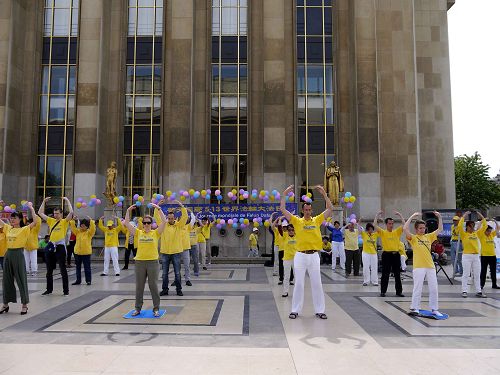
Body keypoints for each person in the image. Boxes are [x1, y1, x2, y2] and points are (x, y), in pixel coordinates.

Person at [281, 184, 333, 320]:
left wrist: (325, 195)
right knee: (299, 283)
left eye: (310, 209)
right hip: (300, 256)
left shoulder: (317, 220)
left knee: (317, 282)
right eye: (306, 210)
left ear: (312, 210)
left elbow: (330, 209)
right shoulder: (297, 221)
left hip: (314, 256)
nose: (308, 212)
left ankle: (320, 310)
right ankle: (295, 310)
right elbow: (282, 209)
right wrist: (284, 194)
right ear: (303, 210)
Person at [124, 204, 166, 317]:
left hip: (152, 262)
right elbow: (127, 223)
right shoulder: (138, 232)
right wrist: (128, 210)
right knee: (139, 286)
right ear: (142, 224)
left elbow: (164, 222)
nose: (146, 224)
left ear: (151, 224)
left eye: (148, 223)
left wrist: (158, 208)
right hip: (140, 263)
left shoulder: (155, 233)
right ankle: (137, 308)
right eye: (144, 223)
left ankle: (156, 308)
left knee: (153, 286)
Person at [0, 203, 39, 315]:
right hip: (8, 254)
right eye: (11, 218)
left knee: (21, 279)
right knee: (6, 280)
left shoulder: (24, 229)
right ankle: (5, 304)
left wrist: (32, 209)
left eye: (14, 218)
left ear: (20, 219)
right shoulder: (7, 228)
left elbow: (35, 222)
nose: (12, 220)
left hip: (18, 254)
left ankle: (24, 305)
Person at [403, 211, 444, 317]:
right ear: (416, 229)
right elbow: (405, 229)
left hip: (430, 266)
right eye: (420, 228)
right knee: (418, 287)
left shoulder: (429, 237)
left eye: (423, 228)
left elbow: (440, 229)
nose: (422, 229)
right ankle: (415, 307)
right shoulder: (413, 238)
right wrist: (412, 216)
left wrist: (439, 217)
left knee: (434, 288)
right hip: (418, 267)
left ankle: (434, 309)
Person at [38, 197, 73, 296]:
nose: (55, 215)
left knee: (63, 269)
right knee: (49, 270)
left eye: (57, 213)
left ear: (61, 214)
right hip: (51, 245)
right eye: (54, 213)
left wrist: (67, 201)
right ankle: (49, 289)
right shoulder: (51, 220)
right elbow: (40, 213)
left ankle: (65, 290)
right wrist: (44, 201)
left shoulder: (65, 221)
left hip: (60, 247)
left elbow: (71, 213)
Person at [155, 200, 187, 296]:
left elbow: (185, 218)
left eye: (172, 218)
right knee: (164, 273)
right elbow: (157, 217)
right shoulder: (163, 225)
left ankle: (179, 289)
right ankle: (165, 289)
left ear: (175, 218)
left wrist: (182, 207)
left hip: (176, 252)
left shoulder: (179, 225)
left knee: (177, 273)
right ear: (166, 218)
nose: (170, 220)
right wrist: (157, 206)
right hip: (165, 252)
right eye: (168, 218)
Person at [374, 211, 405, 297]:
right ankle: (383, 291)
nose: (391, 225)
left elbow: (404, 225)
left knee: (397, 274)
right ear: (386, 224)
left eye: (392, 223)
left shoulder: (396, 232)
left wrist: (400, 215)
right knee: (385, 273)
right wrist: (377, 215)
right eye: (389, 223)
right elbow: (375, 225)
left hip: (396, 255)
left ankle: (399, 292)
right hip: (386, 255)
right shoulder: (383, 232)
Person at [457, 211, 486, 298]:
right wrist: (464, 215)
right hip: (467, 256)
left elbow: (485, 226)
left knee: (477, 274)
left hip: (476, 256)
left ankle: (479, 291)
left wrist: (480, 215)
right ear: (467, 227)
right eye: (471, 226)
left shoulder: (477, 233)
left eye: (474, 226)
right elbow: (459, 226)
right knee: (466, 274)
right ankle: (464, 291)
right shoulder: (464, 234)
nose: (473, 227)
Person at [70, 216, 96, 285]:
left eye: (84, 226)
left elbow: (93, 229)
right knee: (78, 267)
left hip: (86, 253)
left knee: (87, 267)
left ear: (87, 226)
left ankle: (88, 280)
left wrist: (91, 221)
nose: (82, 227)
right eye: (81, 226)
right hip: (77, 253)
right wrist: (73, 220)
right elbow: (73, 228)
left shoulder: (89, 233)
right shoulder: (78, 232)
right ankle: (78, 280)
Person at [476, 213, 500, 290]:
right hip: (484, 256)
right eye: (488, 231)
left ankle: (494, 284)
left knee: (493, 271)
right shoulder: (481, 235)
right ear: (485, 231)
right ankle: (481, 284)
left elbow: (497, 229)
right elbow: (478, 228)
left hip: (492, 255)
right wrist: (482, 221)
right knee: (483, 271)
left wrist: (495, 221)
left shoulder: (491, 235)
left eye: (490, 231)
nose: (489, 232)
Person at [281, 224, 297, 298]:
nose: (291, 231)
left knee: (297, 276)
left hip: (296, 259)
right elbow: (279, 229)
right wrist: (280, 219)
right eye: (289, 230)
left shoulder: (297, 236)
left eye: (292, 230)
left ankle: (297, 292)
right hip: (287, 259)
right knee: (286, 276)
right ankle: (285, 291)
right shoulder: (285, 236)